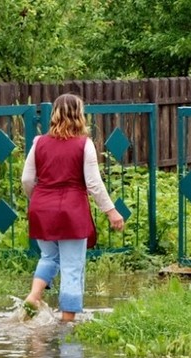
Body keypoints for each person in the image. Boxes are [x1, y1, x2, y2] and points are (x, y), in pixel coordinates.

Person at [21, 93, 124, 322]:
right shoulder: (83, 144)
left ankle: (34, 296)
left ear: (55, 114)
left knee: (48, 257)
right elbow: (94, 184)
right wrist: (111, 211)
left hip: (42, 208)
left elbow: (27, 179)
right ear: (79, 115)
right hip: (72, 211)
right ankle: (67, 322)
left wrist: (38, 199)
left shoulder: (39, 142)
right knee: (72, 266)